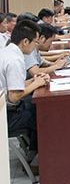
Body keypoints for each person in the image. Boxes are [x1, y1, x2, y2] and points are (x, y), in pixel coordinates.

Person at [0, 20, 50, 170]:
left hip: (7, 109)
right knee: (46, 117)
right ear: (25, 41)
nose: (35, 46)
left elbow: (14, 86)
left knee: (36, 108)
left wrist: (35, 80)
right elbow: (14, 97)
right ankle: (39, 163)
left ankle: (33, 154)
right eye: (34, 42)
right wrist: (36, 83)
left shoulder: (6, 52)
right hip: (7, 116)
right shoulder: (15, 60)